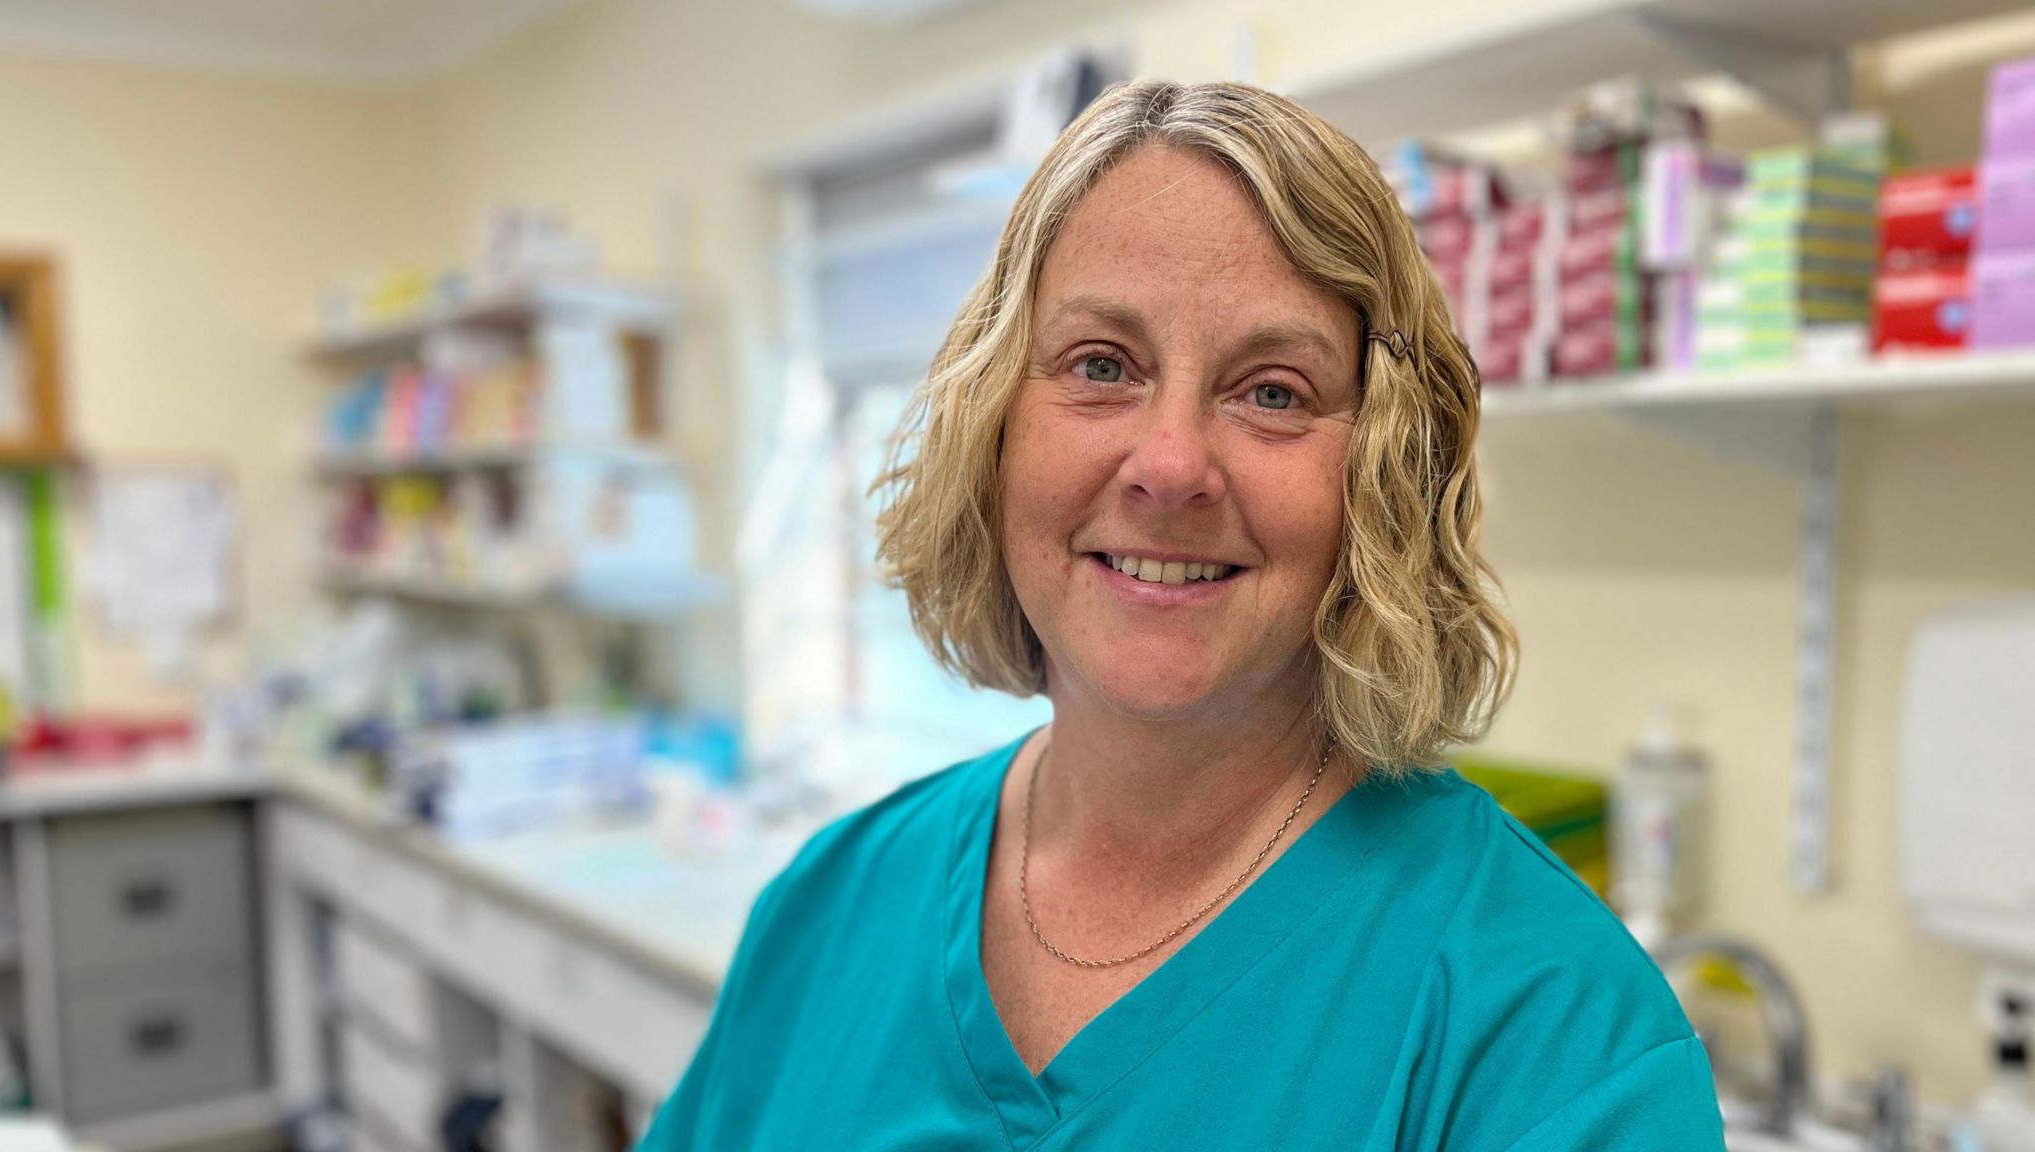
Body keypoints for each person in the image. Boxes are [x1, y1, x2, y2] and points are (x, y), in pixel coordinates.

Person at [638, 79, 1725, 1150]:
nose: (1169, 466)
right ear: (995, 424)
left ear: (1381, 474)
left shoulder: (1552, 1037)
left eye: (1272, 392)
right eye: (1100, 366)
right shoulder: (830, 905)